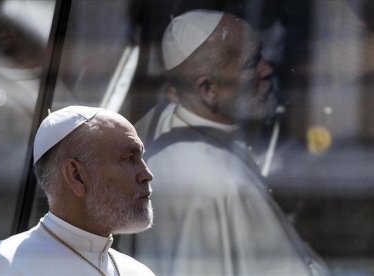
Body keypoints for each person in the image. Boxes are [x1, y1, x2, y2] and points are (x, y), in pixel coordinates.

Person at [118, 10, 328, 275]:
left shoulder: (150, 126)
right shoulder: (225, 183)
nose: (267, 69)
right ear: (208, 89)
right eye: (252, 63)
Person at [0, 106, 155, 276]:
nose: (147, 174)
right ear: (76, 175)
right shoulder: (0, 267)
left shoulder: (138, 272)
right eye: (129, 158)